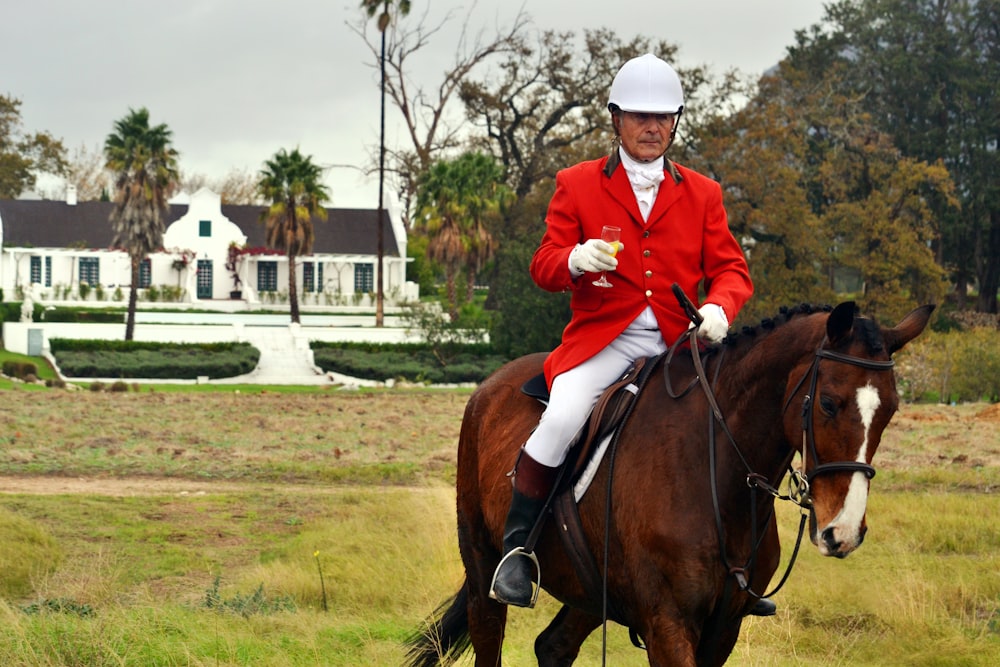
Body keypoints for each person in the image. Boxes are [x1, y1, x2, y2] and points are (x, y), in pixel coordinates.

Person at [490, 53, 766, 614]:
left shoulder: (703, 192)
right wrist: (573, 258)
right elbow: (542, 266)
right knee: (563, 417)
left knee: (737, 430)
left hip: (679, 346)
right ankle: (517, 551)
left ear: (676, 121)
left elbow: (734, 270)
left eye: (663, 117)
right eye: (640, 115)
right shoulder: (576, 184)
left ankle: (742, 567)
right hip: (602, 342)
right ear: (615, 119)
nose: (652, 127)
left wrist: (720, 307)